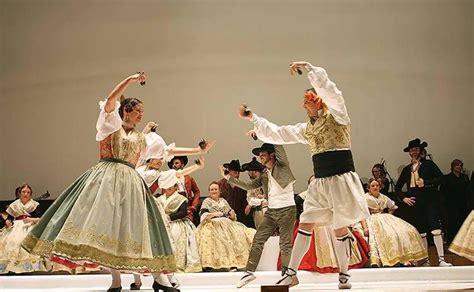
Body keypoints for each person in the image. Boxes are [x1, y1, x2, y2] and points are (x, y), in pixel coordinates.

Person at [22, 73, 177, 292]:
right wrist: (130, 80)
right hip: (107, 177)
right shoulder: (110, 125)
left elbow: (166, 151)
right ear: (126, 111)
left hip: (131, 182)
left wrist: (198, 152)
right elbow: (111, 101)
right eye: (138, 111)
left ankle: (158, 278)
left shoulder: (142, 138)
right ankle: (115, 281)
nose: (141, 115)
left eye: (143, 112)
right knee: (107, 227)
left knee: (137, 226)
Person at [240, 61, 369, 289]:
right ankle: (291, 273)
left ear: (318, 102)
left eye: (307, 102)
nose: (304, 107)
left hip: (340, 179)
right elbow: (280, 133)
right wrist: (254, 118)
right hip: (320, 183)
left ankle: (344, 273)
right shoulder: (307, 129)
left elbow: (333, 93)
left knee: (340, 227)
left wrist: (310, 69)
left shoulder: (338, 117)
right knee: (306, 222)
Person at [132, 132, 212, 291]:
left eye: (162, 159)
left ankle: (164, 279)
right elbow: (150, 151)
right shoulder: (139, 167)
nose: (161, 161)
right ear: (150, 157)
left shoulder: (157, 175)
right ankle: (140, 281)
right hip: (135, 206)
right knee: (135, 243)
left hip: (147, 208)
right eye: (158, 158)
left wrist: (197, 163)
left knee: (154, 242)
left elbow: (178, 173)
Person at [221, 143, 297, 288]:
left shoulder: (282, 166)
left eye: (263, 155)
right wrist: (229, 178)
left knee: (285, 243)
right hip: (272, 211)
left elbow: (278, 144)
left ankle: (288, 275)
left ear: (272, 155)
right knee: (258, 240)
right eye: (260, 155)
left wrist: (262, 132)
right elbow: (249, 186)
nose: (260, 158)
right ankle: (249, 272)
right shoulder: (264, 175)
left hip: (287, 209)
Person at [278, 175, 369, 273]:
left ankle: (344, 272)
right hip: (315, 223)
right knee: (305, 230)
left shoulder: (333, 190)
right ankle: (292, 271)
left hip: (330, 220)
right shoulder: (304, 195)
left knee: (340, 232)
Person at [395, 138, 452, 267]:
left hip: (430, 200)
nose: (414, 152)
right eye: (411, 150)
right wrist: (404, 198)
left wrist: (426, 183)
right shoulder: (407, 169)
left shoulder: (429, 165)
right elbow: (398, 187)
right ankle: (425, 260)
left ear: (420, 151)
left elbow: (442, 179)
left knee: (435, 229)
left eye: (416, 149)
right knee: (421, 232)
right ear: (409, 153)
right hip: (415, 202)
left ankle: (441, 259)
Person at [359, 179, 427, 267]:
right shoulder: (365, 197)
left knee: (404, 231)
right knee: (376, 236)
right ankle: (377, 260)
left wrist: (389, 215)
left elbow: (392, 207)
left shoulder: (383, 197)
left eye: (377, 185)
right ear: (369, 188)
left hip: (384, 217)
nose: (375, 187)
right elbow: (362, 213)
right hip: (371, 218)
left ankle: (402, 258)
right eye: (373, 186)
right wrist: (365, 227)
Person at [195, 182, 255, 271]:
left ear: (219, 191)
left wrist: (232, 215)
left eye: (216, 189)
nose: (214, 191)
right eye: (212, 189)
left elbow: (231, 213)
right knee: (218, 237)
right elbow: (203, 215)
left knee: (240, 233)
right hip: (213, 222)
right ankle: (212, 264)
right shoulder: (207, 201)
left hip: (227, 223)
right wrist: (214, 214)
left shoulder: (223, 201)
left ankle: (233, 263)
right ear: (209, 192)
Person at [157, 170, 202, 273]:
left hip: (176, 222)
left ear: (175, 187)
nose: (169, 187)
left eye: (171, 185)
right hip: (162, 223)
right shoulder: (159, 199)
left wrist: (169, 217)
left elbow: (183, 213)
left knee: (176, 236)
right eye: (167, 185)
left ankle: (176, 264)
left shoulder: (181, 199)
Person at [0, 184, 51, 274]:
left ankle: (29, 266)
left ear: (30, 194)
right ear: (19, 193)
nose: (25, 194)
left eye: (28, 192)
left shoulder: (35, 205)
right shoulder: (14, 205)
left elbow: (40, 218)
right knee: (13, 241)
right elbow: (10, 217)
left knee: (27, 241)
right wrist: (8, 222)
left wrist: (30, 220)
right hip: (16, 226)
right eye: (23, 192)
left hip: (30, 224)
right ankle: (11, 266)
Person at [440, 159, 471, 243]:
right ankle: (451, 241)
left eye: (461, 165)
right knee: (451, 223)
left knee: (462, 223)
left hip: (463, 204)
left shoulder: (465, 177)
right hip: (451, 204)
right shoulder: (446, 178)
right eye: (457, 165)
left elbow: (468, 190)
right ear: (452, 166)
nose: (459, 167)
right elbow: (443, 192)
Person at [218, 160, 254, 228]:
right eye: (234, 172)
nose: (236, 175)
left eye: (238, 173)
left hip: (239, 219)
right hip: (224, 218)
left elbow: (245, 203)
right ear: (229, 172)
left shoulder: (242, 187)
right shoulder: (220, 185)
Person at [168, 156, 202, 226]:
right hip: (173, 208)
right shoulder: (168, 179)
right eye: (173, 164)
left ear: (182, 165)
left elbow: (196, 191)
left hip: (187, 208)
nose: (174, 165)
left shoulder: (189, 178)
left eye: (176, 163)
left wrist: (194, 205)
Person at [241, 157, 267, 228]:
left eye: (250, 171)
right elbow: (250, 198)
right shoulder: (250, 184)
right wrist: (259, 201)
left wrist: (252, 203)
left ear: (256, 172)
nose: (248, 173)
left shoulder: (266, 181)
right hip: (257, 211)